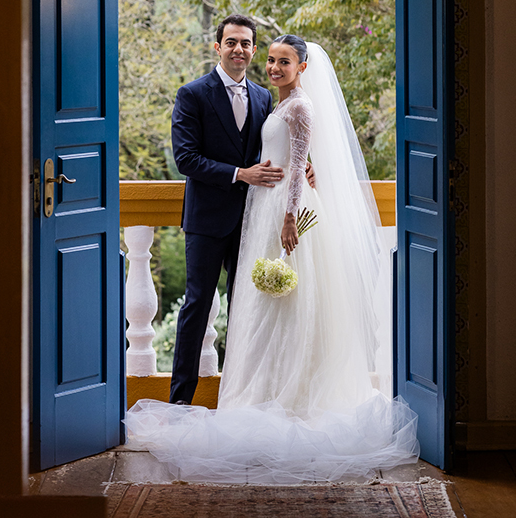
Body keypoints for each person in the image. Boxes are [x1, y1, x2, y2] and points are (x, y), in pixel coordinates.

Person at [127, 34, 419, 483]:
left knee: (284, 309)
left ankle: (284, 397)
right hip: (234, 214)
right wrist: (253, 174)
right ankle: (189, 403)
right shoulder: (203, 95)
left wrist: (292, 209)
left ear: (302, 67)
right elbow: (188, 157)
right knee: (207, 304)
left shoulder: (289, 103)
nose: (269, 64)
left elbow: (299, 151)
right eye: (266, 57)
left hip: (281, 212)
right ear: (219, 47)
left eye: (281, 59)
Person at [168, 14, 282, 405]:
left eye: (246, 43)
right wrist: (239, 174)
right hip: (206, 220)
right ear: (218, 47)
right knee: (198, 305)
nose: (239, 49)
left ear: (253, 49)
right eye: (231, 42)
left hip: (252, 219)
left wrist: (305, 165)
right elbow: (186, 159)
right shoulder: (192, 95)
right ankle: (180, 401)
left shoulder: (264, 96)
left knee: (245, 308)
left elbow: (274, 147)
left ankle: (237, 398)